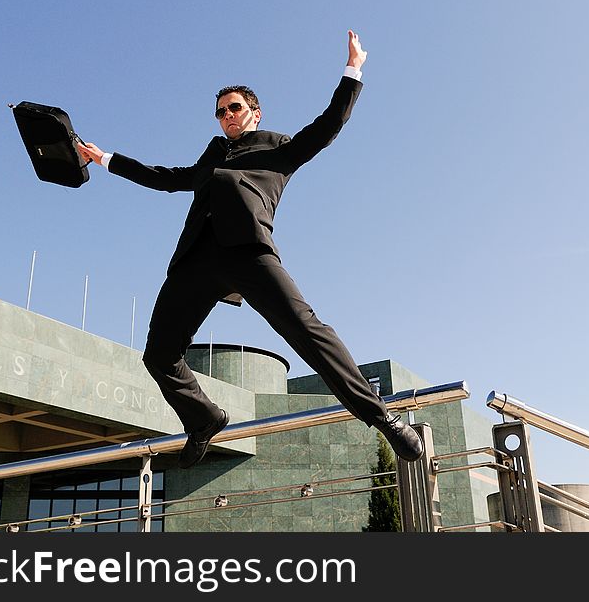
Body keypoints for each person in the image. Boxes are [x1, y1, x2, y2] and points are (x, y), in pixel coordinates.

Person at [77, 30, 422, 468]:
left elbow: (328, 125)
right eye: (220, 113)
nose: (226, 117)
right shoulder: (212, 157)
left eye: (234, 109)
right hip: (196, 259)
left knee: (306, 330)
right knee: (159, 354)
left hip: (248, 252)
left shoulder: (278, 149)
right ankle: (203, 418)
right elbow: (166, 178)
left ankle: (384, 418)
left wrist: (352, 70)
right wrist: (106, 158)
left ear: (254, 113)